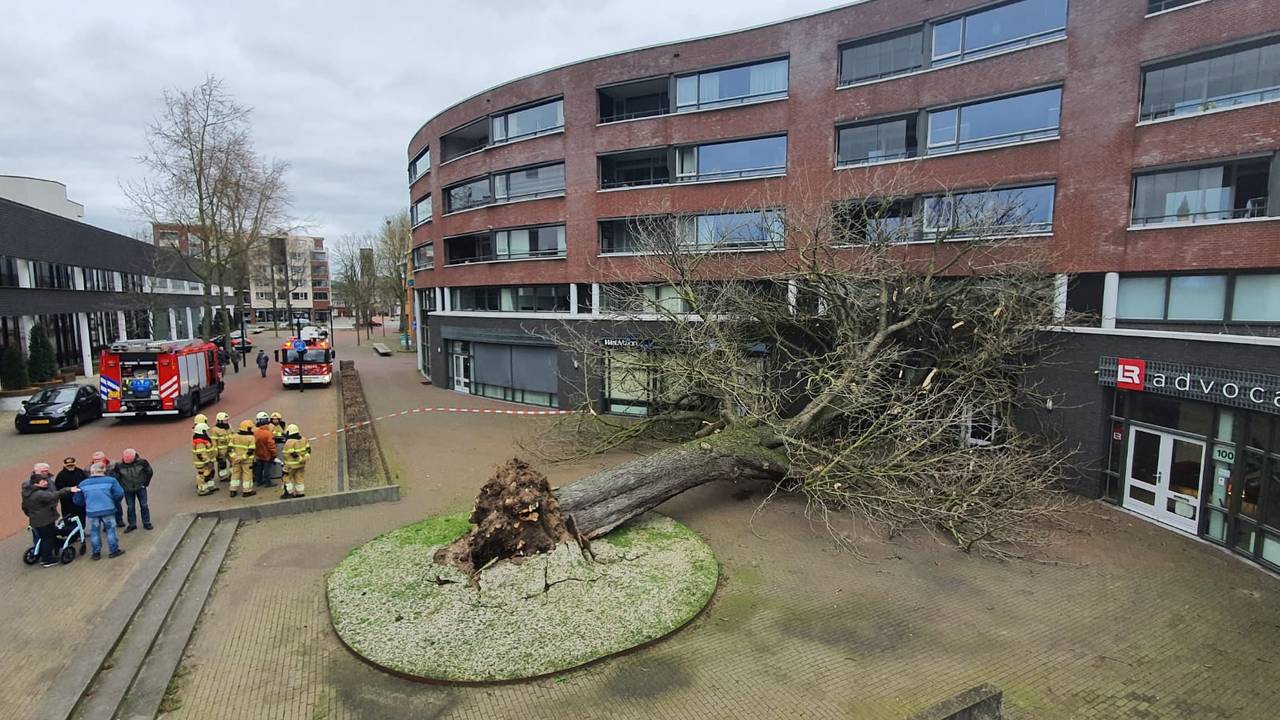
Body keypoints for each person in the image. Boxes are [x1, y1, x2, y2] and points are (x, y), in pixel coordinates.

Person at [22, 463, 79, 567]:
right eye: (43, 481)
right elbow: (53, 495)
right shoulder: (39, 494)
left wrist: (31, 514)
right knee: (47, 539)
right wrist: (68, 489)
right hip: (45, 519)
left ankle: (51, 547)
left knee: (46, 536)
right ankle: (47, 559)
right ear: (36, 483)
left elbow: (24, 507)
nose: (46, 482)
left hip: (36, 519)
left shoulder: (28, 493)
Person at [75, 463, 124, 560]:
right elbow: (119, 494)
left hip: (92, 511)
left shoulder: (83, 484)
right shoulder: (111, 481)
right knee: (111, 530)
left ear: (91, 472)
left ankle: (96, 553)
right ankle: (114, 550)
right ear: (103, 470)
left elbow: (78, 500)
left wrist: (86, 503)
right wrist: (113, 501)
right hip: (108, 509)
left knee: (94, 532)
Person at [110, 449, 154, 532]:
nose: (127, 460)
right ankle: (132, 524)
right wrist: (121, 486)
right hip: (127, 489)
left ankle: (146, 522)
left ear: (134, 457)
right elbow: (116, 476)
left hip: (140, 487)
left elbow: (149, 472)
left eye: (129, 458)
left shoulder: (142, 462)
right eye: (126, 458)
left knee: (144, 505)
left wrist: (145, 483)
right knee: (130, 507)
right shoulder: (119, 465)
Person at [54, 457, 88, 548]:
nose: (70, 467)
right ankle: (71, 534)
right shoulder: (61, 476)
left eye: (72, 465)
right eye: (68, 465)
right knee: (69, 518)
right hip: (67, 502)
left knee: (82, 516)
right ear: (64, 465)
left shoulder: (80, 472)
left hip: (80, 500)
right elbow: (59, 489)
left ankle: (81, 531)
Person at [90, 450, 124, 527]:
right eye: (95, 460)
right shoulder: (89, 468)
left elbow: (120, 475)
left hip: (112, 488)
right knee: (103, 507)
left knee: (117, 504)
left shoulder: (113, 465)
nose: (96, 461)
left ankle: (119, 520)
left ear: (104, 458)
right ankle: (106, 524)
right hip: (100, 490)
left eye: (98, 459)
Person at [228, 419, 257, 498]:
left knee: (235, 474)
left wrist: (235, 457)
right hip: (247, 461)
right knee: (247, 475)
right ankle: (247, 491)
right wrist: (242, 458)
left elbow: (230, 449)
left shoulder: (234, 436)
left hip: (235, 460)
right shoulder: (251, 438)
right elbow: (251, 450)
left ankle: (233, 490)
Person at [281, 424, 311, 499]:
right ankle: (300, 493)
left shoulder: (289, 442)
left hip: (290, 466)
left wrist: (299, 459)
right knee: (299, 478)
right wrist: (304, 458)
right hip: (301, 465)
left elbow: (291, 453)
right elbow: (308, 449)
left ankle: (288, 493)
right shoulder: (304, 439)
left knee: (286, 478)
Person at [192, 423, 219, 496]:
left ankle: (210, 487)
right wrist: (207, 461)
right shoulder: (199, 443)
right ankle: (202, 490)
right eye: (205, 431)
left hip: (208, 461)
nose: (207, 432)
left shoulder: (203, 440)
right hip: (203, 463)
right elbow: (201, 454)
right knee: (203, 476)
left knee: (210, 473)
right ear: (202, 431)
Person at [252, 411, 277, 489]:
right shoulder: (268, 433)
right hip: (267, 454)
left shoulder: (255, 432)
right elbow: (271, 445)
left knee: (259, 468)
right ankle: (268, 482)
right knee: (267, 469)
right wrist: (274, 454)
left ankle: (259, 481)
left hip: (258, 453)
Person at [210, 412, 232, 482]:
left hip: (230, 448)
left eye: (227, 420)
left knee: (233, 462)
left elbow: (233, 435)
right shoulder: (215, 430)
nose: (227, 422)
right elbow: (214, 441)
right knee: (222, 464)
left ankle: (232, 475)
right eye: (225, 420)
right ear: (219, 421)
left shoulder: (229, 426)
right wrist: (216, 453)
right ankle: (223, 477)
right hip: (221, 451)